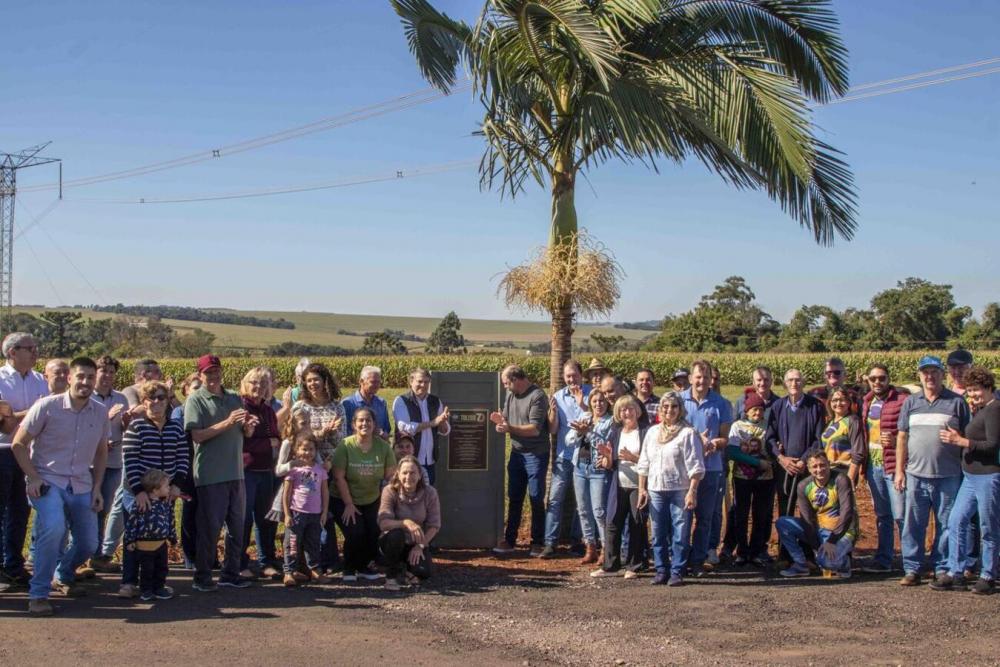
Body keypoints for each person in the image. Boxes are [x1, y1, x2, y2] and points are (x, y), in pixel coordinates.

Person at [10, 357, 109, 616]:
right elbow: (19, 444)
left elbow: (101, 452)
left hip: (81, 483)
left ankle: (63, 573)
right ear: (69, 378)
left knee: (89, 543)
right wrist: (33, 477)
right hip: (47, 481)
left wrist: (97, 487)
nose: (85, 382)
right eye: (81, 376)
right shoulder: (47, 406)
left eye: (90, 377)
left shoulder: (99, 412)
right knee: (53, 528)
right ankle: (38, 594)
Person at [184, 354, 258, 592]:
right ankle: (202, 576)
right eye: (208, 372)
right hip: (211, 474)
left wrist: (248, 427)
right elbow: (197, 436)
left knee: (237, 528)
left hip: (236, 472)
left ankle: (230, 573)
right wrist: (227, 422)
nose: (213, 376)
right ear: (200, 375)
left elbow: (243, 433)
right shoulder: (196, 400)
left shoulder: (234, 397)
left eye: (216, 371)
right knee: (210, 528)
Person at [895, 356, 970, 587]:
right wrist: (899, 471)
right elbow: (902, 437)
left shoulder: (956, 402)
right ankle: (912, 568)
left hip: (948, 475)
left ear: (942, 375)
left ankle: (942, 567)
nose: (930, 377)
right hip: (915, 474)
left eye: (934, 372)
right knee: (913, 525)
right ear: (919, 376)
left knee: (946, 524)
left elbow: (966, 436)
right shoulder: (911, 402)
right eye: (925, 373)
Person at [117, 380, 190, 599]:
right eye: (151, 398)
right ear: (144, 401)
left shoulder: (176, 428)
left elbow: (183, 457)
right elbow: (130, 461)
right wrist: (139, 491)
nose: (156, 402)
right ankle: (129, 582)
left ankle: (157, 582)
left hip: (164, 494)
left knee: (159, 537)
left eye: (161, 398)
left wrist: (176, 485)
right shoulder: (136, 427)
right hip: (138, 492)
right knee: (134, 538)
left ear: (167, 401)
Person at [931, 367, 999, 594]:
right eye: (969, 391)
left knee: (988, 526)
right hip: (971, 476)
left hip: (988, 475)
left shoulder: (995, 409)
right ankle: (955, 571)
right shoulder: (981, 410)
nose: (973, 394)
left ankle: (988, 575)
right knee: (956, 520)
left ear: (988, 387)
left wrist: (961, 441)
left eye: (977, 390)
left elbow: (992, 445)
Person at [636, 392, 704, 586]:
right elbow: (644, 463)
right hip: (656, 489)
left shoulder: (688, 433)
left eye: (674, 406)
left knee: (680, 533)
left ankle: (677, 571)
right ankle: (661, 570)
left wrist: (692, 491)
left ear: (680, 409)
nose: (669, 410)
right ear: (660, 409)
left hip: (680, 489)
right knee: (657, 532)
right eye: (665, 406)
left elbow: (696, 466)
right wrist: (642, 489)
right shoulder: (652, 432)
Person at [0, 332, 47, 588]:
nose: (35, 352)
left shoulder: (39, 380)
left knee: (20, 512)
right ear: (12, 352)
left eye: (35, 347)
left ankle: (13, 566)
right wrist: (32, 412)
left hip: (29, 453)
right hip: (3, 451)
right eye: (29, 348)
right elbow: (3, 422)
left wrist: (19, 415)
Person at [765, 368, 826, 564]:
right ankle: (785, 554)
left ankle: (809, 555)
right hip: (785, 469)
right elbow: (770, 438)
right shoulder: (778, 407)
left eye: (798, 380)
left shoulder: (815, 406)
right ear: (785, 383)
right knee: (785, 510)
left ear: (804, 382)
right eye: (790, 380)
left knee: (807, 511)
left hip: (808, 468)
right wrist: (782, 458)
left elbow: (818, 439)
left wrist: (803, 460)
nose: (794, 384)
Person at [292, 362, 345, 573]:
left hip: (329, 466)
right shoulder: (300, 407)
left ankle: (328, 559)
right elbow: (298, 439)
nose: (313, 384)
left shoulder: (337, 407)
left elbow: (341, 440)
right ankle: (305, 561)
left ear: (325, 381)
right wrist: (324, 431)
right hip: (306, 468)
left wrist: (328, 462)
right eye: (309, 380)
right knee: (306, 513)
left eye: (316, 379)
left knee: (326, 512)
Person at [332, 407, 395, 582]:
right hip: (342, 498)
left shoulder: (383, 447)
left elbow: (390, 477)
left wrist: (387, 503)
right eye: (360, 420)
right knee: (355, 530)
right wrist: (349, 504)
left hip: (371, 497)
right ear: (354, 424)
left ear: (374, 424)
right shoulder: (345, 445)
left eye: (368, 420)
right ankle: (349, 567)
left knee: (374, 529)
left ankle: (364, 566)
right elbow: (338, 477)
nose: (364, 423)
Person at [492, 365, 549, 555]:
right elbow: (506, 419)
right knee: (514, 497)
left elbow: (534, 429)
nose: (505, 387)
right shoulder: (511, 395)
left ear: (516, 380)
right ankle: (510, 540)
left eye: (506, 383)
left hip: (535, 454)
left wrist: (509, 428)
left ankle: (537, 542)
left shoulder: (537, 396)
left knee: (536, 498)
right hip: (517, 453)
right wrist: (501, 422)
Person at [682, 360, 732, 574]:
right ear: (690, 378)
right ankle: (681, 559)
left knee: (705, 518)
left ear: (711, 379)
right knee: (683, 518)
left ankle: (698, 560)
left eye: (705, 377)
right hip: (683, 469)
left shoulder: (721, 404)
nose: (701, 381)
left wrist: (714, 443)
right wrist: (696, 439)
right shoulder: (679, 401)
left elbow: (725, 437)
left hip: (711, 468)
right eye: (698, 377)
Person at [859, 364, 909, 572]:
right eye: (873, 379)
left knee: (901, 515)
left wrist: (897, 440)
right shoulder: (867, 401)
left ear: (889, 378)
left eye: (882, 378)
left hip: (894, 465)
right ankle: (884, 559)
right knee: (882, 515)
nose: (877, 382)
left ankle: (910, 561)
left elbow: (912, 431)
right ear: (868, 380)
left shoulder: (902, 400)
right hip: (874, 465)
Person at [591, 395, 647, 578]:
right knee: (613, 523)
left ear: (637, 411)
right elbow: (609, 464)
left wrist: (633, 458)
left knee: (636, 524)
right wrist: (607, 456)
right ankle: (610, 566)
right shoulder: (616, 433)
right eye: (623, 410)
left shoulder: (645, 432)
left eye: (630, 409)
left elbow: (651, 460)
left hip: (638, 485)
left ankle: (634, 566)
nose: (627, 413)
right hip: (619, 484)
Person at [777, 451, 857, 578]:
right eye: (814, 466)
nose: (819, 470)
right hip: (819, 529)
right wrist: (817, 548)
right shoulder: (804, 486)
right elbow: (807, 520)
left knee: (827, 562)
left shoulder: (841, 479)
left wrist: (831, 541)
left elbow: (847, 513)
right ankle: (801, 564)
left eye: (822, 465)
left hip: (842, 532)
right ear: (809, 469)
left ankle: (844, 563)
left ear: (829, 464)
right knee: (783, 523)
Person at [539, 359, 589, 559]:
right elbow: (552, 430)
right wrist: (552, 413)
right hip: (564, 456)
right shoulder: (558, 397)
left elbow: (596, 419)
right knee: (555, 499)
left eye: (574, 375)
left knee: (581, 501)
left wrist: (582, 404)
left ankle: (577, 541)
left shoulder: (592, 393)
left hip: (584, 455)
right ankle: (550, 543)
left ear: (581, 375)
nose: (571, 379)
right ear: (563, 377)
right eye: (568, 376)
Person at [90, 355, 131, 574]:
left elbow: (125, 429)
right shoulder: (87, 397)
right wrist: (107, 416)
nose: (107, 375)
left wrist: (127, 422)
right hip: (90, 462)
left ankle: (96, 556)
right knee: (87, 508)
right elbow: (85, 425)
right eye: (103, 371)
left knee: (102, 509)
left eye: (111, 372)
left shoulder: (121, 398)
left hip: (114, 461)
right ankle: (83, 554)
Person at [238, 367, 281, 579]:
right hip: (247, 471)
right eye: (254, 382)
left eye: (263, 384)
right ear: (245, 384)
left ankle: (266, 562)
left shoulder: (268, 410)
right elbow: (241, 443)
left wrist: (262, 441)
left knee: (265, 519)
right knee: (244, 519)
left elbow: (277, 438)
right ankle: (240, 562)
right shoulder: (241, 408)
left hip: (266, 471)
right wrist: (265, 443)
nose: (258, 387)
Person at [378, 455, 441, 591]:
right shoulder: (389, 491)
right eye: (405, 473)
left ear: (419, 475)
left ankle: (407, 570)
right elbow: (383, 523)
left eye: (413, 473)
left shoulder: (430, 493)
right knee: (397, 535)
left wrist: (420, 546)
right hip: (392, 542)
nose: (408, 477)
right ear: (398, 474)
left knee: (425, 572)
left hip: (415, 542)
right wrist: (406, 522)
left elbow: (434, 525)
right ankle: (391, 577)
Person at [726, 393, 775, 566]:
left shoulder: (769, 425)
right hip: (742, 477)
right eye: (754, 410)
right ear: (746, 411)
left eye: (760, 410)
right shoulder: (738, 426)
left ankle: (756, 551)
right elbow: (732, 451)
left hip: (765, 477)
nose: (757, 413)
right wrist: (756, 462)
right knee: (741, 514)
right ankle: (742, 551)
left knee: (760, 515)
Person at [565, 389, 613, 565]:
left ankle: (606, 548)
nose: (598, 404)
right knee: (583, 510)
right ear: (590, 403)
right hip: (580, 467)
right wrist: (579, 432)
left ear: (606, 403)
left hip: (597, 469)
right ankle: (590, 547)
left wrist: (588, 432)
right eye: (594, 401)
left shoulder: (609, 421)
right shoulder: (584, 416)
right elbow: (568, 440)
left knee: (599, 511)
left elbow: (603, 445)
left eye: (601, 401)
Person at [281, 434, 331, 587]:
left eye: (311, 449)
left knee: (313, 543)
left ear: (316, 451)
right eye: (304, 449)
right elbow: (286, 493)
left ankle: (315, 570)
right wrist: (287, 514)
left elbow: (325, 492)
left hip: (315, 514)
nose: (307, 453)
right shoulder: (293, 469)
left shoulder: (320, 470)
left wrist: (324, 512)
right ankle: (289, 572)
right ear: (296, 450)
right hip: (296, 513)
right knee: (292, 543)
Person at [122, 469, 177, 601]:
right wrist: (130, 540)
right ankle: (146, 590)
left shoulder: (166, 504)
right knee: (147, 569)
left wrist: (172, 537)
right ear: (155, 489)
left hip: (161, 543)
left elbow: (170, 521)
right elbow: (132, 523)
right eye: (166, 486)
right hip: (144, 543)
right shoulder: (141, 504)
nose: (169, 488)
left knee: (162, 568)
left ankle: (159, 588)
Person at [392, 367, 450, 485]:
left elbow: (444, 430)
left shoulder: (435, 401)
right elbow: (405, 428)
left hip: (430, 461)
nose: (423, 385)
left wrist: (443, 422)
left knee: (427, 493)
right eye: (419, 381)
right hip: (409, 461)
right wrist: (433, 423)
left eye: (426, 382)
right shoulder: (401, 401)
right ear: (411, 381)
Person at [170, 372, 202, 569]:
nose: (199, 392)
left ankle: (206, 555)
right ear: (186, 390)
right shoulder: (179, 412)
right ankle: (190, 557)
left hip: (205, 467)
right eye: (195, 388)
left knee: (205, 513)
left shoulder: (207, 411)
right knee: (190, 512)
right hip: (186, 468)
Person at [821, 387, 865, 484]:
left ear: (848, 402)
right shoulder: (830, 422)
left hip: (844, 471)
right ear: (829, 403)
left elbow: (858, 452)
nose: (838, 403)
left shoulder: (853, 421)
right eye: (835, 400)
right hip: (828, 471)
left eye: (842, 400)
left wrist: (850, 478)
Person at [343, 365, 391, 438]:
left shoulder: (381, 403)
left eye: (378, 382)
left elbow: (386, 428)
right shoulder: (347, 404)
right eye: (373, 382)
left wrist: (383, 434)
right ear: (361, 381)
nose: (377, 385)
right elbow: (344, 431)